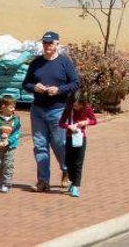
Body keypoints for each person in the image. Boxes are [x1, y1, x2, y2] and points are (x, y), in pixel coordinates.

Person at [21, 31, 80, 192]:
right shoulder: (36, 63)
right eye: (45, 43)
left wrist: (59, 90)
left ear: (57, 45)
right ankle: (43, 181)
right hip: (38, 110)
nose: (47, 46)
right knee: (40, 145)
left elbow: (75, 83)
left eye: (50, 43)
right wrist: (35, 87)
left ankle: (66, 170)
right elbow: (25, 84)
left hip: (58, 110)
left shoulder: (64, 63)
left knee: (59, 144)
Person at [57, 94, 97, 198]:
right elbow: (61, 123)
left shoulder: (87, 108)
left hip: (81, 137)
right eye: (74, 105)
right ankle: (72, 180)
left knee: (78, 162)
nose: (76, 108)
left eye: (78, 106)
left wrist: (86, 122)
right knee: (68, 161)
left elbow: (94, 121)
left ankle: (75, 186)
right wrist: (69, 126)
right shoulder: (68, 109)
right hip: (70, 136)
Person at [0, 94, 20, 193]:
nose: (13, 109)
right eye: (11, 107)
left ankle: (6, 183)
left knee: (8, 164)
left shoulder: (15, 119)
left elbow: (17, 132)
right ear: (3, 106)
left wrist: (9, 141)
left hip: (10, 146)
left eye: (14, 107)